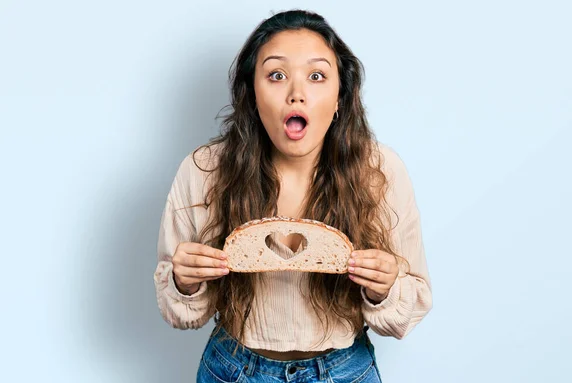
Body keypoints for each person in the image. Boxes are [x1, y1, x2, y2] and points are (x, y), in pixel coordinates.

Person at [154, 9, 433, 383]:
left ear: (339, 99)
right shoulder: (203, 170)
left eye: (316, 76)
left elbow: (411, 302)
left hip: (346, 371)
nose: (297, 94)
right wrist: (184, 281)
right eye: (276, 75)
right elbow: (181, 311)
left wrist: (385, 288)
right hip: (233, 370)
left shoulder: (379, 171)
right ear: (253, 95)